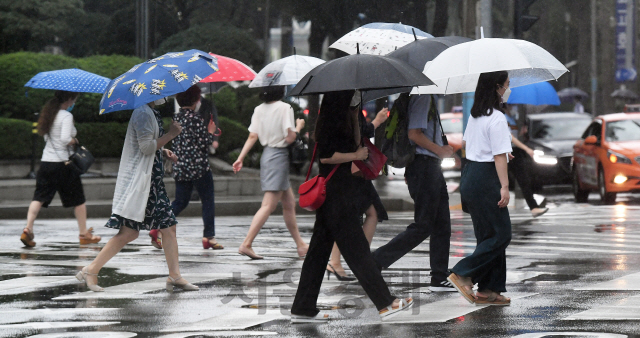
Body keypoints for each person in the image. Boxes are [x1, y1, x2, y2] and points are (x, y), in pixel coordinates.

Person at [291, 90, 412, 323]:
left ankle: (303, 307)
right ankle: (385, 302)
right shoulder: (331, 123)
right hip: (337, 195)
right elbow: (326, 157)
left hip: (338, 194)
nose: (357, 97)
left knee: (317, 254)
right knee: (357, 252)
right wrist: (354, 154)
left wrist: (357, 119)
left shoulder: (345, 118)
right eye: (353, 95)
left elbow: (354, 143)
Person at [76, 99, 198, 293]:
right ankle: (91, 269)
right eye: (159, 90)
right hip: (145, 185)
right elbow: (146, 147)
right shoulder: (142, 113)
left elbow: (150, 145)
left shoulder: (149, 111)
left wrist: (164, 150)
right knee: (129, 232)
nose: (163, 95)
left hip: (152, 183)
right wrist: (171, 135)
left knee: (168, 227)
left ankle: (174, 276)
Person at [371, 94, 455, 292]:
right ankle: (375, 261)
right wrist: (440, 151)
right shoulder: (422, 95)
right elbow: (414, 134)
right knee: (424, 225)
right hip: (424, 166)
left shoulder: (427, 95)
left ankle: (439, 277)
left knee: (442, 224)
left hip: (429, 166)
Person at [447, 71, 513, 306]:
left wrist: (501, 151)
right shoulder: (496, 118)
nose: (508, 89)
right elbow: (497, 156)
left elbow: (467, 144)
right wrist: (504, 186)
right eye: (506, 85)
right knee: (501, 234)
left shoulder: (476, 116)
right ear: (497, 88)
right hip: (486, 178)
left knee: (488, 236)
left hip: (471, 175)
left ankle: (489, 289)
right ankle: (464, 272)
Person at [232, 86, 308, 260]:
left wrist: (240, 158)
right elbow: (290, 138)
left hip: (268, 155)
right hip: (278, 157)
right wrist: (298, 126)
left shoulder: (259, 109)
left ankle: (300, 245)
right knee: (268, 205)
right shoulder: (285, 108)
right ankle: (246, 243)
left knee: (289, 203)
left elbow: (252, 136)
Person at [21, 90, 101, 247]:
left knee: (38, 198)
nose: (74, 102)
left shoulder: (47, 114)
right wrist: (74, 140)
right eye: (74, 99)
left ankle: (27, 229)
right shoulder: (66, 116)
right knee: (78, 200)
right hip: (63, 164)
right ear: (69, 99)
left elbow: (46, 137)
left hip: (46, 163)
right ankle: (84, 233)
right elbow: (65, 139)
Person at [325, 93, 390, 281]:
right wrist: (377, 121)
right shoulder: (345, 112)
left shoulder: (347, 111)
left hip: (355, 170)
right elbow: (358, 135)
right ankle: (355, 261)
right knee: (364, 215)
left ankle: (342, 261)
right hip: (353, 171)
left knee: (363, 215)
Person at [152, 85, 221, 250]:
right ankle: (208, 237)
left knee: (181, 201)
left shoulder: (176, 119)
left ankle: (157, 227)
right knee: (208, 200)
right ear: (197, 100)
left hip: (181, 167)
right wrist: (210, 132)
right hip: (199, 167)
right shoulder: (196, 119)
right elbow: (204, 144)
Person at [504, 108, 548, 218]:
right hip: (506, 151)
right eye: (512, 105)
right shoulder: (502, 117)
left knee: (524, 180)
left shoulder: (512, 117)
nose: (515, 107)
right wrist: (526, 149)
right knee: (501, 181)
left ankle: (534, 207)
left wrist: (522, 131)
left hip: (515, 151)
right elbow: (510, 137)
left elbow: (514, 135)